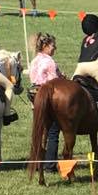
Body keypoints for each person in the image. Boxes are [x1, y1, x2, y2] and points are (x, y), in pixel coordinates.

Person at [29, 32, 62, 170]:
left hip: (35, 95)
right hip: (48, 96)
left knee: (39, 130)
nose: (55, 48)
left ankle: (36, 160)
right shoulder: (49, 61)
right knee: (53, 131)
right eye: (53, 46)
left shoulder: (35, 60)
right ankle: (50, 165)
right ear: (46, 46)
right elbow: (55, 82)